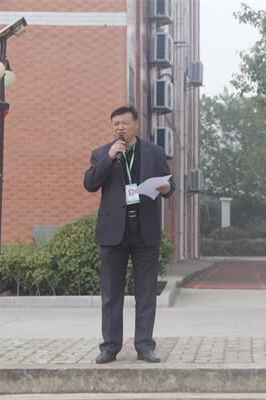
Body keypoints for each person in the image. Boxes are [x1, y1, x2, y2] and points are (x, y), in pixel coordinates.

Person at [83, 105, 175, 364]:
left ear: (136, 125)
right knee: (111, 293)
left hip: (145, 231)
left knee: (146, 293)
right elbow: (90, 184)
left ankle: (144, 346)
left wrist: (166, 187)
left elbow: (170, 184)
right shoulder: (102, 153)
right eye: (116, 124)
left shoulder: (155, 153)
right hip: (113, 232)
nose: (120, 128)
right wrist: (109, 157)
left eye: (124, 123)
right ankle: (110, 347)